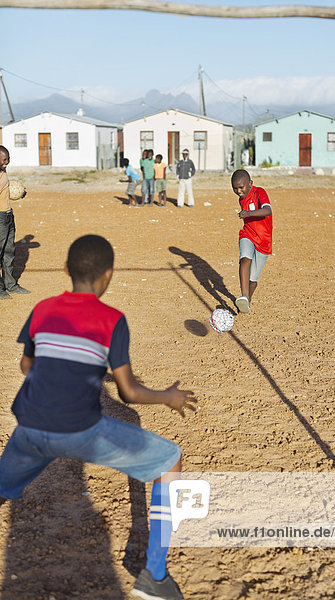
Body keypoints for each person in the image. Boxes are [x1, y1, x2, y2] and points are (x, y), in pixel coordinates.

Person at [0, 234, 197, 600]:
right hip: (81, 431)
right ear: (108, 276)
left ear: (65, 270)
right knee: (171, 460)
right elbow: (128, 393)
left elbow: (27, 363)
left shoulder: (42, 308)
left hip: (29, 426)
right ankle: (154, 575)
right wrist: (167, 396)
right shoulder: (112, 319)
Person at [231, 169, 272, 314]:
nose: (239, 191)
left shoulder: (259, 192)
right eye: (235, 188)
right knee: (244, 260)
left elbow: (267, 211)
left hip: (264, 240)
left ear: (250, 183)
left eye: (241, 187)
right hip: (247, 234)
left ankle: (247, 300)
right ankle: (244, 296)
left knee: (253, 279)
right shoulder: (241, 198)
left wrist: (248, 213)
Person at [0, 145, 30, 300]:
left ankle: (11, 285)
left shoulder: (3, 171)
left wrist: (18, 192)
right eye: (4, 160)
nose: (7, 163)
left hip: (7, 216)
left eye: (8, 159)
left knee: (9, 252)